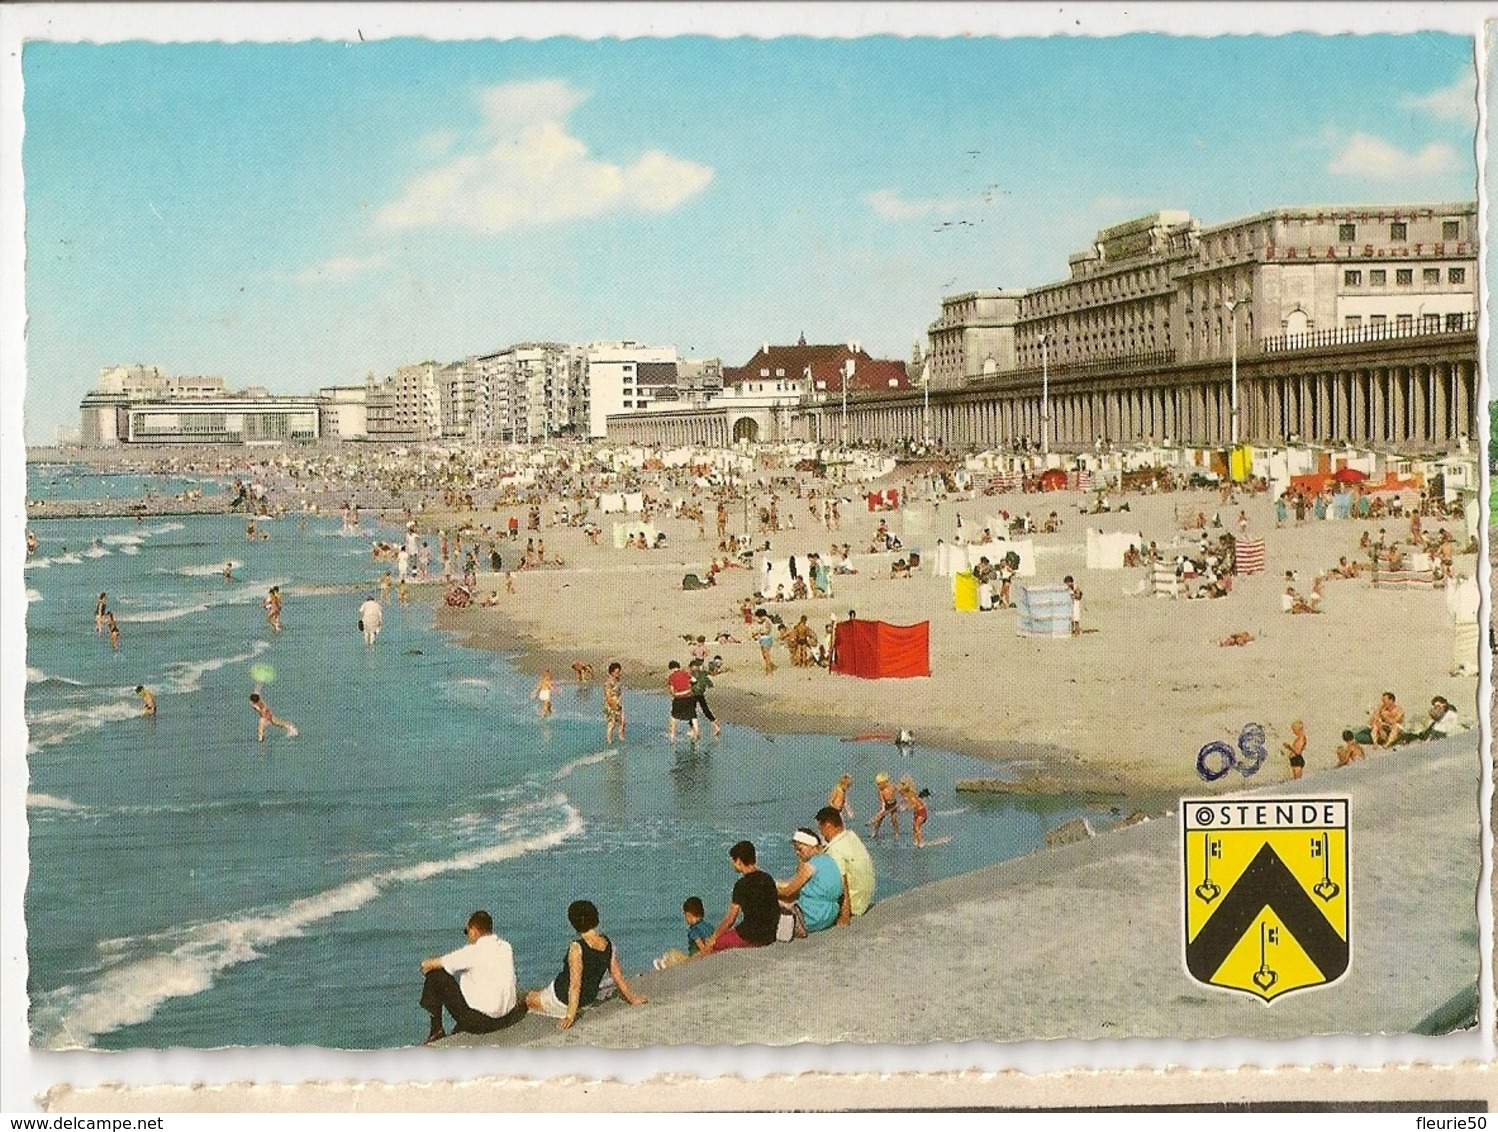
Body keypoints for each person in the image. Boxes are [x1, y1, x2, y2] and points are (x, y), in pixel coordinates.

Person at [525, 900, 647, 1029]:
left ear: (573, 923)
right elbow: (618, 977)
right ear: (596, 919)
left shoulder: (577, 948)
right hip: (587, 1000)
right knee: (540, 992)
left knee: (527, 998)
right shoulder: (608, 943)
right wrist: (633, 999)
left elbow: (575, 985)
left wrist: (570, 1016)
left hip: (561, 999)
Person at [418, 909, 526, 1043]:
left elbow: (430, 964)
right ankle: (455, 1026)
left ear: (473, 930)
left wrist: (425, 966)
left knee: (436, 975)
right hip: (505, 1018)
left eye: (466, 931)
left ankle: (436, 1030)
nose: (467, 936)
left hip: (483, 1023)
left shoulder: (472, 952)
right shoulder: (505, 947)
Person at [704, 841, 780, 951]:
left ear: (739, 861)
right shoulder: (768, 878)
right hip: (769, 935)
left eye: (733, 861)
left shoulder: (741, 885)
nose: (732, 864)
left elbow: (730, 920)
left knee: (715, 944)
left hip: (750, 936)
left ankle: (691, 963)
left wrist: (714, 937)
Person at [776, 828, 845, 934]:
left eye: (800, 849)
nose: (797, 853)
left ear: (811, 846)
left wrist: (768, 889)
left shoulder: (810, 866)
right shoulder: (829, 860)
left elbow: (788, 892)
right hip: (829, 915)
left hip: (812, 918)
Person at [815, 806, 875, 921]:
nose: (821, 833)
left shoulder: (835, 850)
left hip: (854, 905)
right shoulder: (851, 836)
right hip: (864, 899)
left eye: (821, 829)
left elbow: (843, 883)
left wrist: (844, 916)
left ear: (828, 825)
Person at [654, 896, 715, 970]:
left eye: (685, 915)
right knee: (671, 955)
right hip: (708, 956)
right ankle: (665, 962)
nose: (685, 918)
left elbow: (703, 948)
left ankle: (665, 964)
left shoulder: (694, 930)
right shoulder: (708, 926)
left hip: (696, 959)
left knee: (673, 953)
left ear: (689, 916)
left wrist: (694, 958)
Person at [689, 658, 722, 738]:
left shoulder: (693, 673)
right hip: (700, 694)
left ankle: (693, 730)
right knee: (705, 709)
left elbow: (691, 682)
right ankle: (715, 725)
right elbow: (710, 684)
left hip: (693, 694)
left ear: (693, 667)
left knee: (691, 711)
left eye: (690, 667)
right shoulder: (703, 674)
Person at [666, 660, 698, 740]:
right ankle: (697, 733)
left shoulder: (671, 677)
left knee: (673, 717)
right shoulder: (685, 673)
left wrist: (674, 694)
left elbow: (672, 690)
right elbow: (694, 680)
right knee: (693, 716)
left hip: (679, 698)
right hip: (689, 697)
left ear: (671, 669)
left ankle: (672, 735)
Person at [899, 777, 930, 847]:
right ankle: (916, 840)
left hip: (921, 812)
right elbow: (905, 801)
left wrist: (906, 808)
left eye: (902, 793)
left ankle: (921, 842)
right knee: (914, 827)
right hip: (916, 813)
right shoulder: (907, 796)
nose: (901, 794)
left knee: (916, 827)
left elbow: (914, 805)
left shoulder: (912, 795)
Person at [868, 771, 900, 840]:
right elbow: (883, 805)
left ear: (885, 782)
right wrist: (879, 814)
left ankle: (896, 833)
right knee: (879, 820)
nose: (878, 786)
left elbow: (899, 789)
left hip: (893, 805)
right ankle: (874, 832)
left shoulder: (892, 787)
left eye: (879, 784)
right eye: (877, 784)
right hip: (886, 805)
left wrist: (903, 797)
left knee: (894, 819)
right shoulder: (881, 792)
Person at [604, 661, 626, 744]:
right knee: (612, 724)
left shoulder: (617, 680)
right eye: (616, 672)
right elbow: (607, 696)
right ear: (612, 672)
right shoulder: (608, 683)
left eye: (619, 671)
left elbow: (618, 691)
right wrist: (613, 705)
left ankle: (621, 737)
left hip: (618, 703)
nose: (618, 673)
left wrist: (619, 701)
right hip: (611, 704)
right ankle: (609, 741)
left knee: (623, 722)